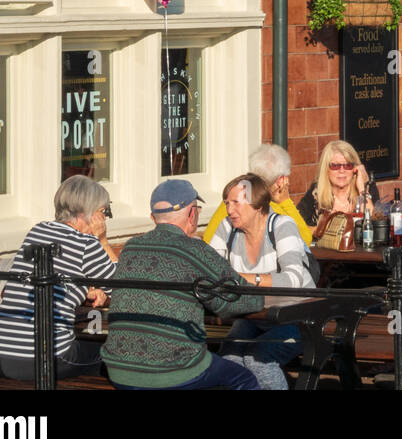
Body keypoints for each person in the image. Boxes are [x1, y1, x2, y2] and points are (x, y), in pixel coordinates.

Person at [102, 180, 262, 390]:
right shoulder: (194, 249)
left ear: (153, 218)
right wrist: (261, 292)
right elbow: (237, 299)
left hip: (120, 370)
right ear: (192, 214)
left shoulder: (131, 247)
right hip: (174, 370)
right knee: (244, 379)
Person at [0, 175, 117, 381]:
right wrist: (102, 240)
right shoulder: (87, 243)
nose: (105, 218)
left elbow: (57, 274)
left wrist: (84, 289)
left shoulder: (37, 230)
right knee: (111, 353)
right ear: (90, 212)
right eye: (104, 212)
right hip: (43, 359)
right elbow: (122, 287)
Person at [209, 173, 315, 389]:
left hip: (298, 317)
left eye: (236, 203)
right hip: (254, 315)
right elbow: (210, 271)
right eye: (227, 203)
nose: (230, 210)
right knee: (229, 359)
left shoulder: (282, 225)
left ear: (257, 205)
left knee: (259, 359)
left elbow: (293, 279)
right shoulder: (226, 228)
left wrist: (245, 279)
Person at [203, 143, 312, 245]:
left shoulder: (231, 201)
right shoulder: (271, 209)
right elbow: (304, 240)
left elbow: (208, 239)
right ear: (280, 181)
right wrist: (285, 202)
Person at [296, 139, 377, 231]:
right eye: (335, 166)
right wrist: (320, 231)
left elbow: (374, 223)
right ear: (326, 168)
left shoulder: (367, 187)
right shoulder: (316, 192)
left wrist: (362, 188)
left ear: (355, 168)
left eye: (347, 165)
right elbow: (295, 223)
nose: (341, 171)